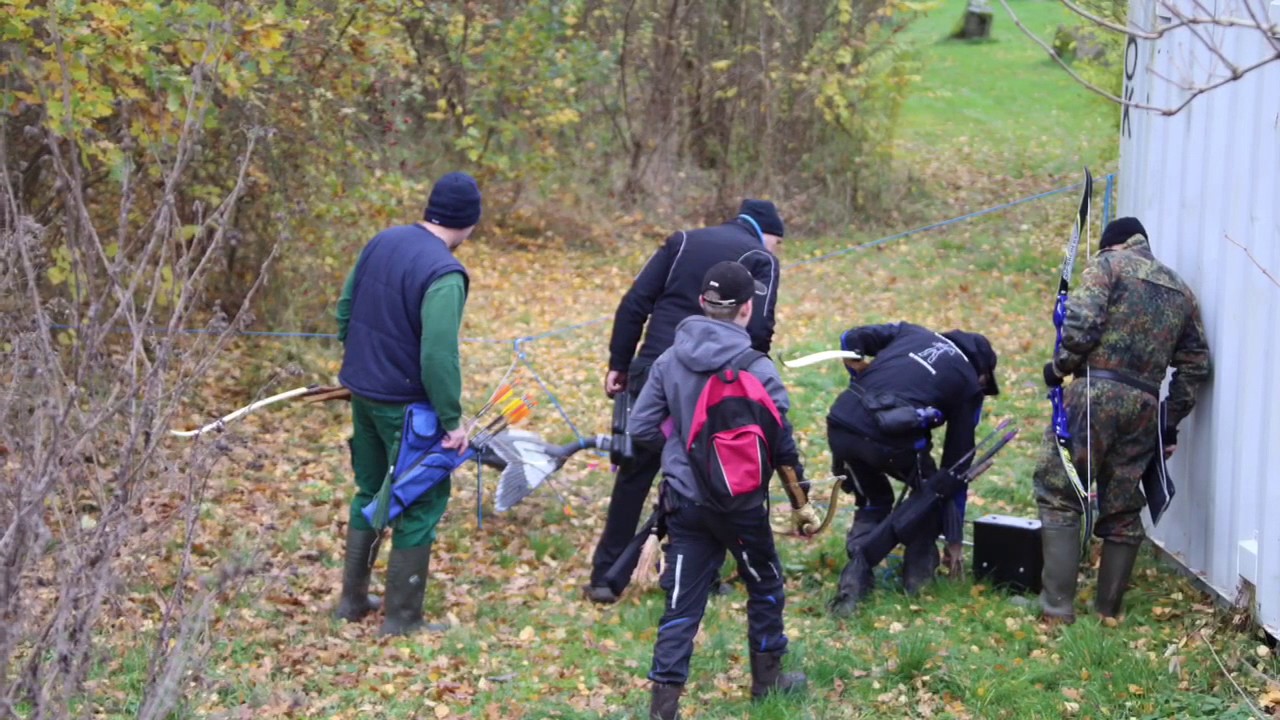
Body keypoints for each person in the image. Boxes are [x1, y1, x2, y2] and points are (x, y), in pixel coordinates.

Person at [629, 261, 806, 719]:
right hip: (743, 506)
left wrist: (684, 440)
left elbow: (641, 425)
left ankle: (662, 708)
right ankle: (768, 686)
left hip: (685, 503)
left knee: (681, 606)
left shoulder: (669, 360)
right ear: (747, 309)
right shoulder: (757, 367)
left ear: (703, 304)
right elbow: (780, 435)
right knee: (765, 587)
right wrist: (799, 499)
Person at [586, 199, 786, 603]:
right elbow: (760, 328)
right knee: (706, 477)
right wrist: (748, 377)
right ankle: (692, 576)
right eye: (779, 243)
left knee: (633, 477)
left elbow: (635, 301)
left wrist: (620, 363)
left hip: (655, 371)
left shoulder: (682, 241)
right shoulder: (761, 258)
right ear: (768, 234)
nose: (777, 250)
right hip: (716, 387)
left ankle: (606, 577)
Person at [1036, 217, 1210, 624]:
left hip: (1094, 392)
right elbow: (1196, 365)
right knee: (1122, 506)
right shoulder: (1181, 289)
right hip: (1145, 407)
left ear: (1111, 245)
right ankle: (1108, 611)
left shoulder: (1107, 266)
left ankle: (1056, 608)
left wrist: (1061, 365)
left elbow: (1081, 324)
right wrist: (1169, 421)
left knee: (1059, 490)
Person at [332, 171, 482, 635]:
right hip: (409, 410)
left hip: (365, 395)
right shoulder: (445, 272)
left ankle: (352, 601)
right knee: (419, 501)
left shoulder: (383, 241)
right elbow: (438, 355)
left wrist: (359, 367)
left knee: (370, 490)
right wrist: (453, 421)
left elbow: (345, 309)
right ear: (469, 223)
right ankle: (401, 620)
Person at [825, 323, 1000, 616]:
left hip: (842, 424)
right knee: (931, 496)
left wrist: (857, 370)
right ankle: (917, 581)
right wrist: (954, 538)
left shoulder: (909, 333)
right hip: (890, 441)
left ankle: (856, 580)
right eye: (985, 382)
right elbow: (956, 467)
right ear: (980, 370)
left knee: (873, 499)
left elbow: (851, 338)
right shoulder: (968, 382)